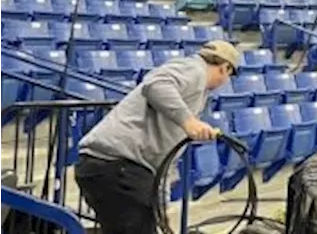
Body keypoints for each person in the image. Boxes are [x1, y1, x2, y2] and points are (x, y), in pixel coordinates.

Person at [75, 41, 242, 234]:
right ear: (224, 68)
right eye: (229, 75)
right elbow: (156, 84)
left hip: (122, 169)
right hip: (116, 164)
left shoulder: (198, 94)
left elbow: (167, 157)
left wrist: (161, 208)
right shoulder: (195, 69)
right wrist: (188, 121)